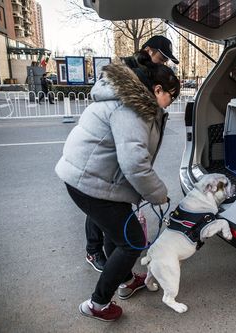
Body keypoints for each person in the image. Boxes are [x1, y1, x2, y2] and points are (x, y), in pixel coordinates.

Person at [55, 58, 180, 321]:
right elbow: (135, 163)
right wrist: (157, 194)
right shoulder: (131, 109)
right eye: (172, 96)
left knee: (117, 236)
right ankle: (97, 304)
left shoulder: (129, 101)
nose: (172, 102)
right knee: (133, 241)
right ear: (157, 90)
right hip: (91, 183)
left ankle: (126, 280)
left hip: (96, 179)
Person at [84, 35, 179, 273]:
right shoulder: (130, 76)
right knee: (102, 206)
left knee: (112, 212)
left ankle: (119, 269)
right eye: (162, 57)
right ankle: (95, 252)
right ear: (148, 50)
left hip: (117, 159)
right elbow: (134, 162)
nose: (164, 62)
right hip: (104, 161)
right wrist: (156, 193)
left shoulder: (147, 76)